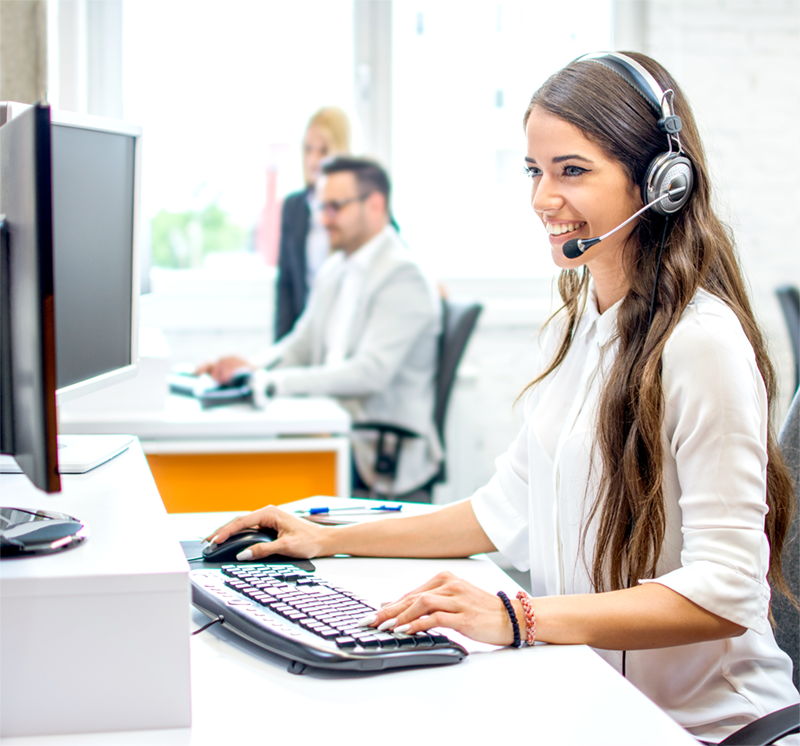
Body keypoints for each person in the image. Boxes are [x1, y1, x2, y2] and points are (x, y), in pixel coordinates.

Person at [203, 52, 799, 742]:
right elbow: (497, 511)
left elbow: (726, 592)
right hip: (592, 694)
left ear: (661, 182)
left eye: (572, 170)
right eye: (534, 171)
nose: (543, 198)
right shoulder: (584, 324)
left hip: (701, 727)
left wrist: (520, 617)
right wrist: (329, 539)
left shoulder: (702, 344)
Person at [199, 156, 443, 497]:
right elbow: (301, 343)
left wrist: (273, 383)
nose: (323, 220)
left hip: (376, 453)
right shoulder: (336, 268)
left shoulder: (403, 276)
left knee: (250, 475)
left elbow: (369, 373)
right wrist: (251, 369)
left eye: (335, 207)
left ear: (375, 205)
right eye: (321, 207)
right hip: (336, 427)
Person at [276, 106, 351, 340]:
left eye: (323, 151)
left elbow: (392, 252)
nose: (314, 160)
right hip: (306, 334)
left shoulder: (358, 207)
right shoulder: (293, 208)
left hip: (345, 332)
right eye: (308, 150)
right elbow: (286, 286)